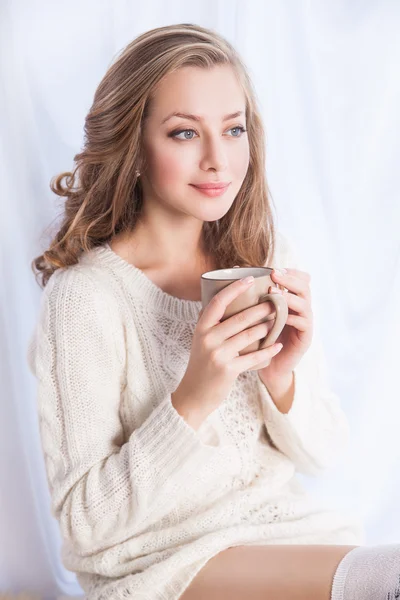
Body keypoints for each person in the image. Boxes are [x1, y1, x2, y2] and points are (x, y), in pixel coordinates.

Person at [27, 23, 400, 600]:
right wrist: (196, 394)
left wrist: (281, 379)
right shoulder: (86, 300)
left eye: (233, 129)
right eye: (183, 133)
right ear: (134, 147)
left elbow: (324, 455)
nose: (217, 160)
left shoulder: (265, 261)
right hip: (160, 566)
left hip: (291, 539)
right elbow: (86, 525)